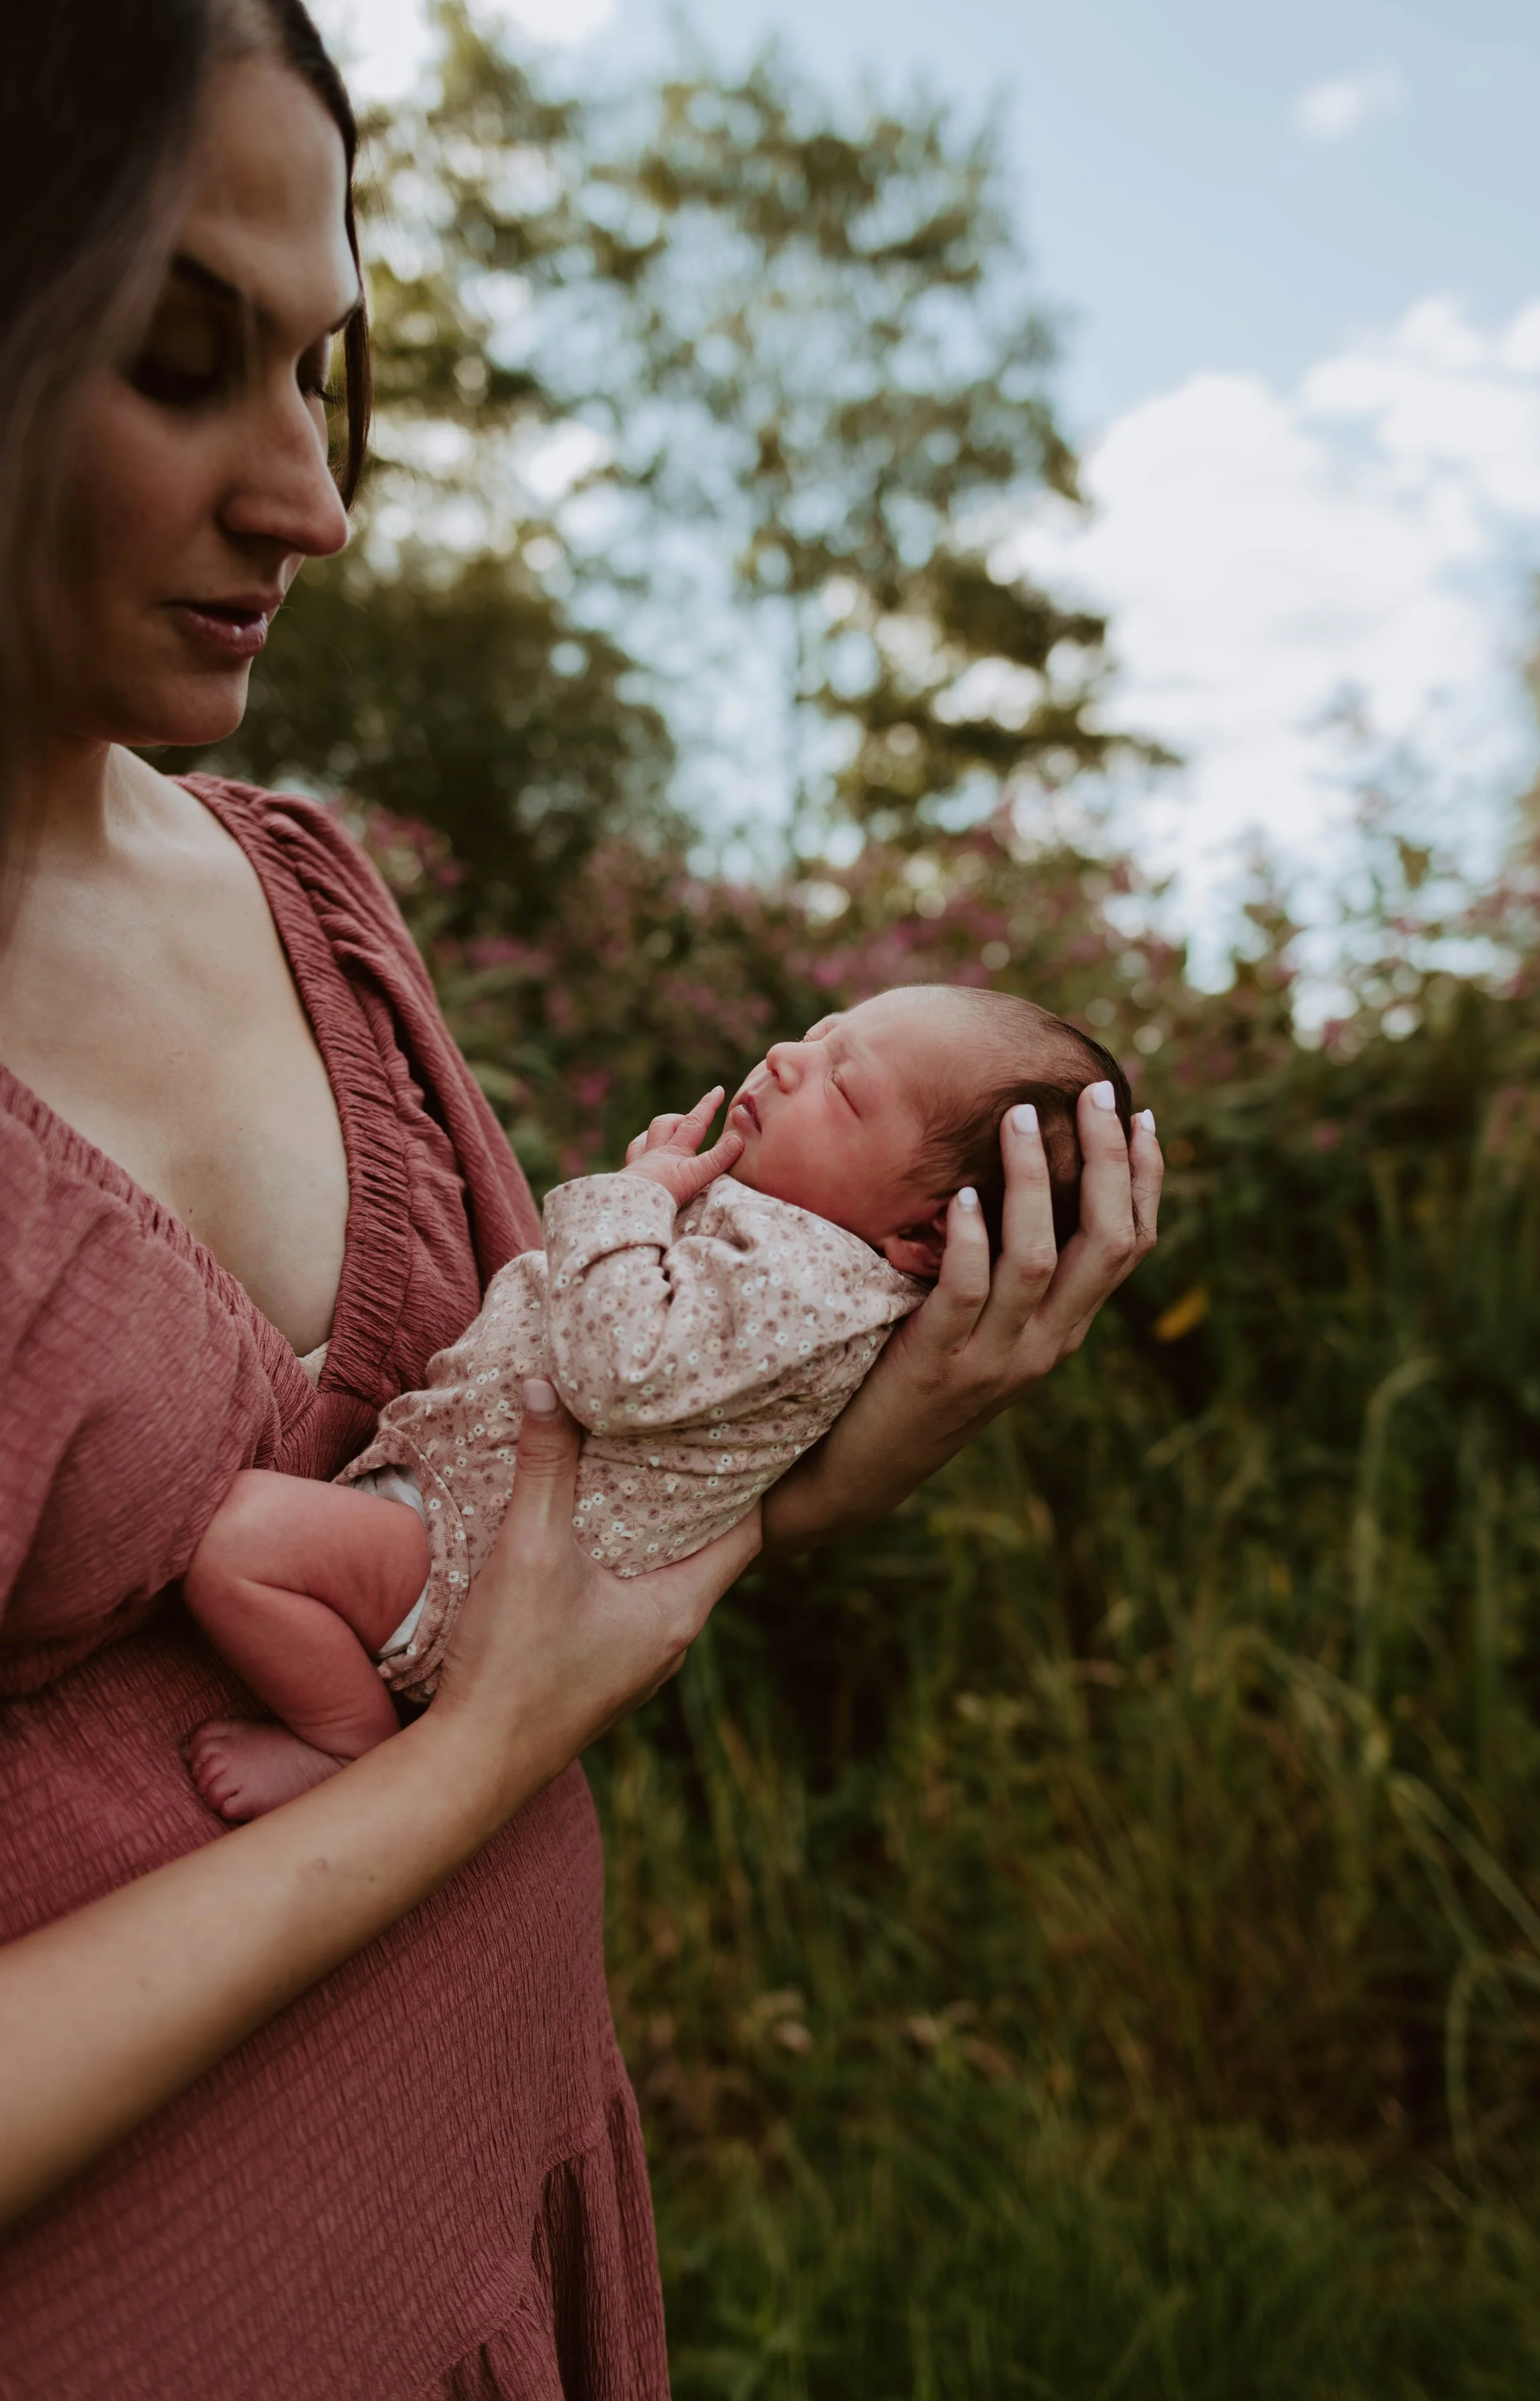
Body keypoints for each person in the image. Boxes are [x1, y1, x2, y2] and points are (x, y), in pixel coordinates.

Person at [0, 3, 1164, 2394]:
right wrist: (458, 1777)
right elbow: (500, 1681)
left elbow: (547, 1486)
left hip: (500, 2206)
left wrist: (816, 1481)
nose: (311, 499)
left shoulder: (310, 891)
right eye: (177, 358)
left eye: (319, 372)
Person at [180, 989, 1144, 1821]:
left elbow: (617, 1366)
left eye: (845, 1088)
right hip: (462, 1517)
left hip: (476, 1566)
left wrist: (628, 1198)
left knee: (242, 1545)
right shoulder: (772, 1240)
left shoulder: (820, 1283)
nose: (788, 1057)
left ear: (927, 1236)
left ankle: (345, 1744)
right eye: (819, 1031)